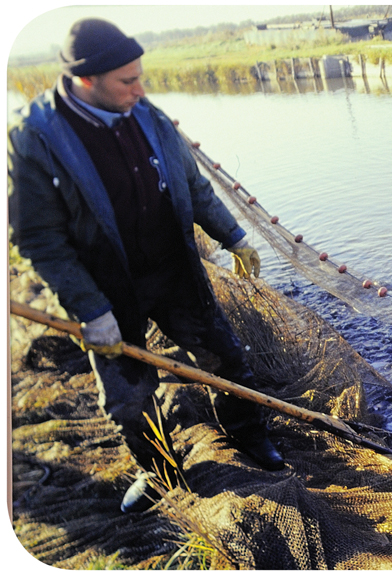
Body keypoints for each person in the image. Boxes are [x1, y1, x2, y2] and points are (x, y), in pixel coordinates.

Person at [8, 18, 284, 513]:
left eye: (141, 76)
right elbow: (39, 240)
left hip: (175, 274)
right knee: (128, 401)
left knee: (229, 361)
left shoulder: (146, 113)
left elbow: (192, 186)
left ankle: (248, 437)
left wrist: (235, 236)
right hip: (107, 289)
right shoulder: (35, 138)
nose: (141, 89)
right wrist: (92, 311)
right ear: (86, 81)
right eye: (127, 81)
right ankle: (160, 471)